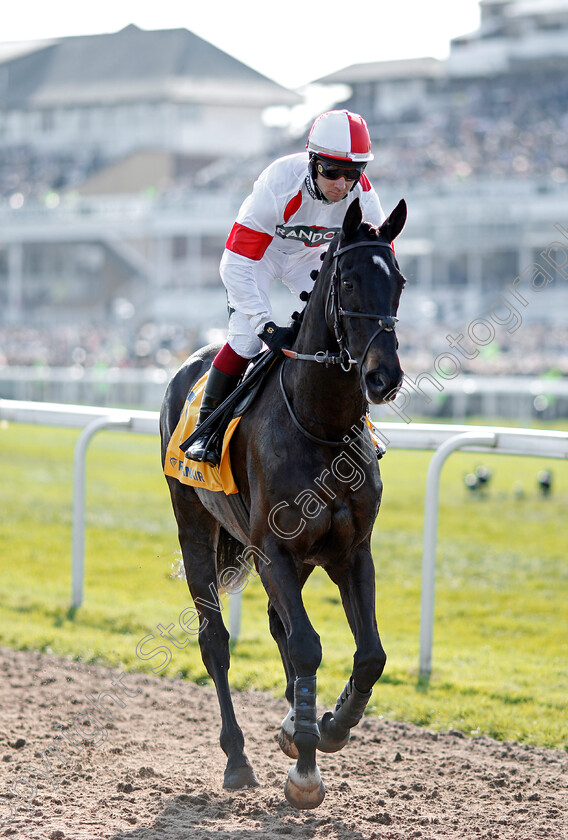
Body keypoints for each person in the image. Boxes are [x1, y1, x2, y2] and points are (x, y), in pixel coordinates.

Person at [186, 109, 386, 465]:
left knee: (344, 332)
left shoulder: (365, 199)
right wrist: (265, 324)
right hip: (259, 256)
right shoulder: (279, 184)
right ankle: (206, 430)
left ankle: (362, 424)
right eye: (331, 170)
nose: (341, 184)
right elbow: (234, 263)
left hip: (309, 258)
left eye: (352, 173)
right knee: (246, 338)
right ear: (312, 161)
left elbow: (378, 261)